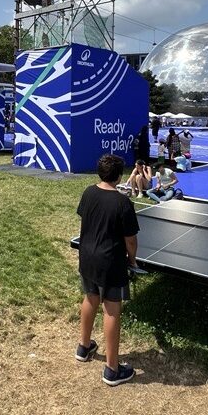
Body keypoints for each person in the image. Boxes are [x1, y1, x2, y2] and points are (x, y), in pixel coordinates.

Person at [75, 154, 139, 386]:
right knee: (112, 310)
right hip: (111, 261)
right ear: (120, 175)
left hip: (87, 257)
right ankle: (112, 369)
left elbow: (86, 221)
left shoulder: (88, 192)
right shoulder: (123, 203)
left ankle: (83, 347)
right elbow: (130, 241)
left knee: (90, 298)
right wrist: (132, 260)